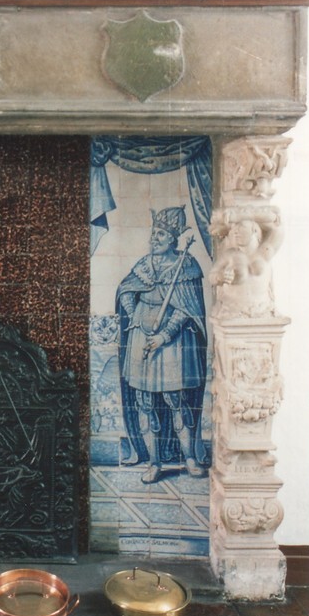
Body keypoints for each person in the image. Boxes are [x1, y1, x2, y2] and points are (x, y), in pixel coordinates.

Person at [116, 206, 208, 483]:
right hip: (141, 337)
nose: (153, 238)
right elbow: (126, 290)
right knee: (144, 402)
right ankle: (154, 463)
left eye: (160, 234)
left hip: (172, 342)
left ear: (173, 239)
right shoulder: (144, 265)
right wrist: (133, 315)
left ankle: (189, 458)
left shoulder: (187, 265)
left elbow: (187, 308)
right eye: (153, 233)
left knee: (176, 400)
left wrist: (164, 335)